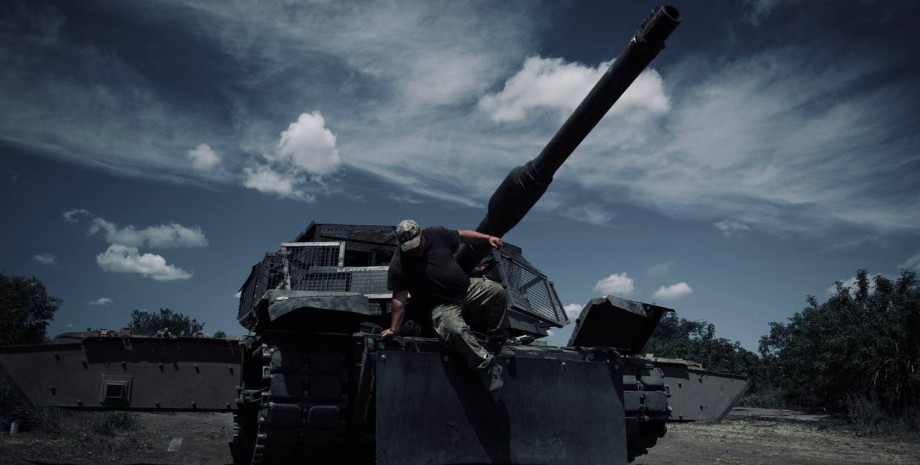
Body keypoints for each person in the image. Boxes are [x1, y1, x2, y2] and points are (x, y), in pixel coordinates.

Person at [383, 219, 506, 392]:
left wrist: (488, 238)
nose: (413, 250)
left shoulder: (436, 233)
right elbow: (399, 298)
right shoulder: (399, 264)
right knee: (453, 329)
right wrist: (393, 328)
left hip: (466, 289)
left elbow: (462, 235)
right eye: (408, 248)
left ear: (422, 235)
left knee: (497, 291)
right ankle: (488, 365)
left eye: (416, 245)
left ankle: (496, 338)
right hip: (442, 305)